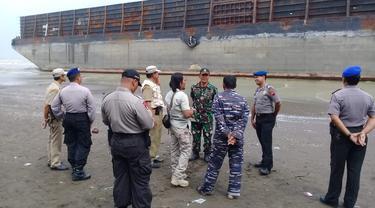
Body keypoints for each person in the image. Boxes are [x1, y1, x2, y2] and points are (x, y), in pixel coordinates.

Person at [320, 66, 375, 208]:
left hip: (342, 135)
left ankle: (332, 198)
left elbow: (334, 117)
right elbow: (373, 118)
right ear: (359, 79)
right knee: (355, 170)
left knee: (337, 168)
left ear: (343, 79)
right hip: (360, 136)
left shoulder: (338, 95)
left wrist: (349, 134)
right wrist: (363, 132)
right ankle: (350, 203)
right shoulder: (368, 96)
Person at [101, 69, 154, 208]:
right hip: (135, 143)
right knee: (140, 181)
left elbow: (106, 121)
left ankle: (120, 205)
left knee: (121, 178)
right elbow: (148, 124)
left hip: (116, 141)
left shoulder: (107, 98)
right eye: (137, 84)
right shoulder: (136, 101)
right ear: (134, 81)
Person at [197, 75, 249, 199]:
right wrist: (235, 135)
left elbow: (219, 119)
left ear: (223, 85)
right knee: (236, 164)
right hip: (237, 138)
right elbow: (243, 120)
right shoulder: (242, 100)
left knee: (214, 163)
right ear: (235, 85)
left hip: (221, 138)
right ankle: (234, 191)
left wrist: (227, 134)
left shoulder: (218, 97)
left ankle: (207, 188)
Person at [51, 68, 96, 181]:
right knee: (84, 143)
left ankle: (74, 165)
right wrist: (89, 120)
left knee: (71, 142)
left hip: (69, 117)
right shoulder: (85, 91)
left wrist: (62, 116)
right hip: (82, 118)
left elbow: (54, 106)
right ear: (78, 77)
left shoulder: (63, 90)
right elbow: (91, 109)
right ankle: (78, 170)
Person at [164, 72, 194, 187]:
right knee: (186, 150)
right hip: (182, 128)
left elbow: (168, 109)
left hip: (172, 126)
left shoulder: (169, 94)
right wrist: (192, 111)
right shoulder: (182, 95)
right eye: (184, 80)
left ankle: (175, 172)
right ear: (180, 82)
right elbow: (186, 114)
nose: (185, 82)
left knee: (175, 149)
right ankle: (177, 176)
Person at [251, 70, 281, 176]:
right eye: (255, 77)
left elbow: (278, 102)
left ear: (264, 77)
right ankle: (264, 161)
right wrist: (252, 119)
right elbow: (254, 105)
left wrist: (274, 115)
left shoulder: (270, 89)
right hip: (259, 119)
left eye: (258, 77)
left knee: (267, 143)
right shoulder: (257, 90)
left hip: (268, 118)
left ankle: (267, 166)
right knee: (262, 141)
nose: (256, 79)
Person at [42, 68, 69, 171]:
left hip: (52, 118)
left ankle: (51, 160)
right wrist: (46, 119)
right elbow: (47, 106)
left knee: (52, 139)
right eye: (64, 75)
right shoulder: (55, 89)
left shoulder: (53, 86)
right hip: (54, 118)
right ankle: (55, 162)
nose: (65, 77)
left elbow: (46, 105)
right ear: (61, 76)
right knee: (56, 140)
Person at [190, 67, 217, 162]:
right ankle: (195, 152)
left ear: (209, 76)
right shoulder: (194, 87)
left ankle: (207, 153)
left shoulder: (213, 89)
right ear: (199, 76)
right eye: (203, 75)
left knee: (207, 136)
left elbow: (215, 102)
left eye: (206, 75)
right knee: (195, 136)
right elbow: (193, 99)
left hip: (207, 117)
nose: (204, 77)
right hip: (196, 116)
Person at [142, 65, 165, 168]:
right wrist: (151, 118)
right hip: (153, 113)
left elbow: (158, 85)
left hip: (158, 112)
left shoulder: (153, 83)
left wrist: (157, 79)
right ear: (153, 74)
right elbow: (147, 103)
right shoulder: (147, 85)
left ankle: (154, 155)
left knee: (157, 135)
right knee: (152, 136)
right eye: (157, 73)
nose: (158, 75)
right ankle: (150, 159)